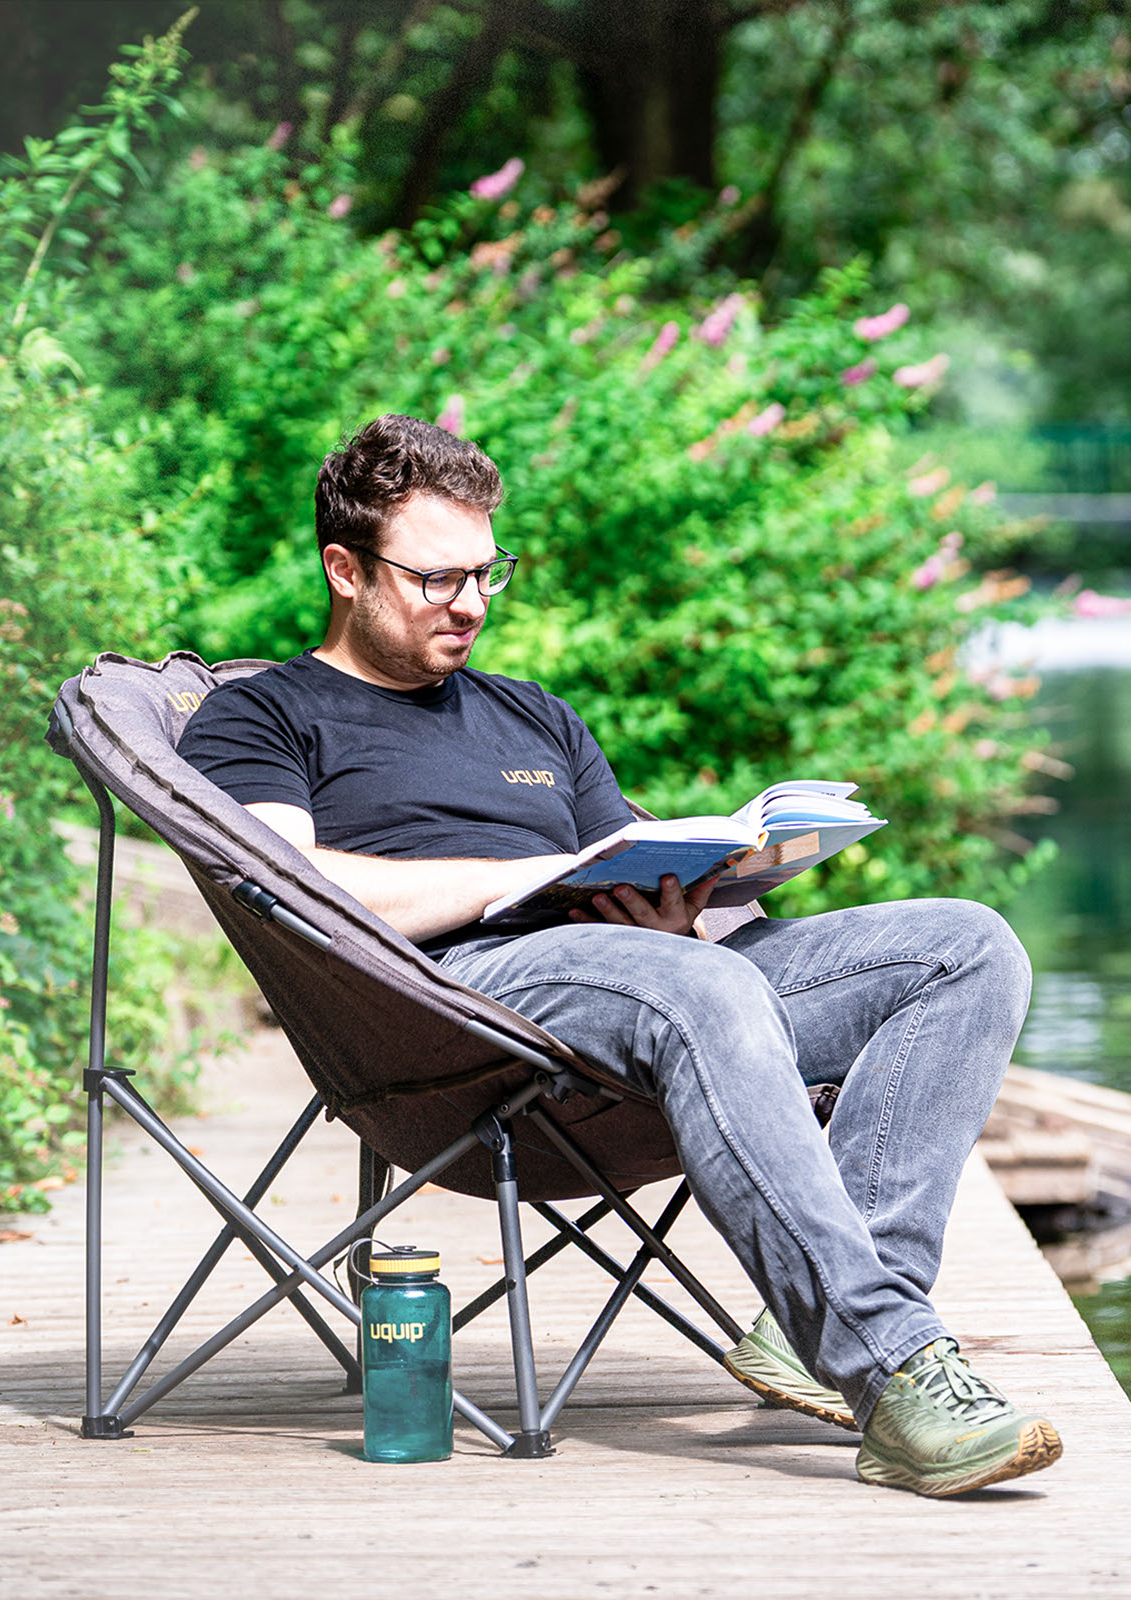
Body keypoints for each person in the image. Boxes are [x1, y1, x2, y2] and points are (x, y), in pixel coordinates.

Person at [178, 413, 1062, 1497]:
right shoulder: (262, 715)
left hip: (635, 982)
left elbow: (628, 874)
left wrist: (684, 905)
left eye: (488, 573)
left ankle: (818, 1325)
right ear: (344, 567)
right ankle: (889, 1367)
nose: (470, 603)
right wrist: (515, 889)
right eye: (436, 578)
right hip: (451, 1014)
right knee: (697, 987)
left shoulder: (534, 716)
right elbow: (298, 891)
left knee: (965, 946)